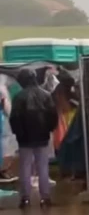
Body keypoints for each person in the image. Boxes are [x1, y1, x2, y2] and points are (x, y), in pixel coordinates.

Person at [9, 69, 58, 209]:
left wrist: (18, 133)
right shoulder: (46, 95)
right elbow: (53, 116)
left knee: (25, 167)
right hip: (42, 136)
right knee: (43, 166)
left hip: (24, 138)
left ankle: (25, 198)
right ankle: (45, 197)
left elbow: (14, 118)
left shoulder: (19, 97)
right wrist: (48, 129)